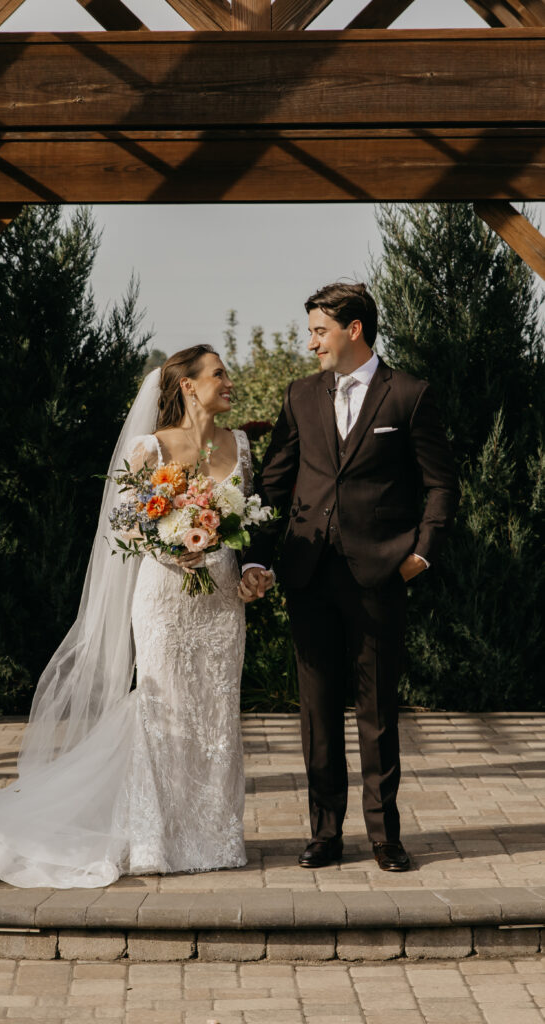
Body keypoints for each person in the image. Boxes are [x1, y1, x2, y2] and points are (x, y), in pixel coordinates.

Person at [0, 346, 254, 887]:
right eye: (218, 373)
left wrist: (251, 568)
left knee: (216, 713)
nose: (229, 380)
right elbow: (123, 527)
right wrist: (169, 546)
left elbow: (249, 518)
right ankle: (155, 839)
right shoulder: (147, 447)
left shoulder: (240, 444)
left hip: (220, 598)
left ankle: (215, 835)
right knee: (162, 709)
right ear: (188, 386)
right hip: (164, 596)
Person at [239, 282, 458, 872]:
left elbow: (441, 483)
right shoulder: (300, 396)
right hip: (308, 572)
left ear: (353, 330)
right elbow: (273, 485)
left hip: (380, 572)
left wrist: (422, 551)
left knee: (378, 708)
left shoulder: (408, 395)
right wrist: (258, 557)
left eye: (318, 330)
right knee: (316, 709)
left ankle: (386, 836)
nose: (311, 342)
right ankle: (325, 833)